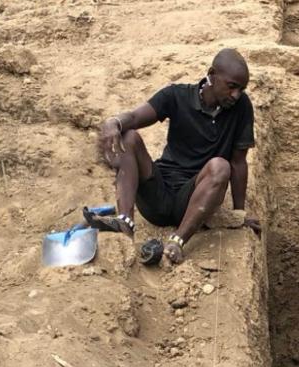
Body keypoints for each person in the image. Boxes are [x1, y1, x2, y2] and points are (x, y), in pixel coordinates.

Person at [91, 48, 259, 263]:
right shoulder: (177, 96)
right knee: (128, 137)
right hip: (157, 196)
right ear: (212, 74)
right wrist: (114, 122)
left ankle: (177, 241)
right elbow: (134, 117)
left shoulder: (242, 107)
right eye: (232, 86)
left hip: (193, 200)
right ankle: (125, 221)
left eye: (241, 89)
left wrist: (238, 214)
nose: (236, 95)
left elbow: (237, 162)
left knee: (220, 166)